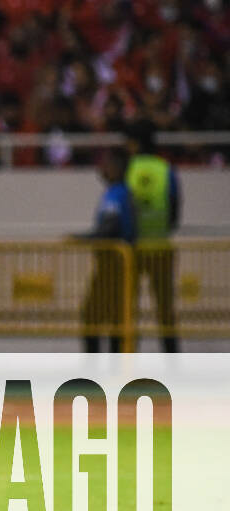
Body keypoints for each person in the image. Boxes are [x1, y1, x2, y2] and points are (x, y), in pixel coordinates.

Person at [125, 120, 180, 353]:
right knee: (166, 311)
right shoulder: (166, 170)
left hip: (130, 251)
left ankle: (128, 360)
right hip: (161, 248)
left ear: (134, 144)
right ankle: (172, 360)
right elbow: (174, 213)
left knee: (128, 310)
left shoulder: (127, 169)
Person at [75, 147, 136, 353]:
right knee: (116, 318)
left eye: (106, 163)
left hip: (113, 265)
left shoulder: (115, 194)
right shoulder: (122, 193)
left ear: (117, 168)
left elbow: (110, 227)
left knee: (92, 316)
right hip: (117, 265)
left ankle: (97, 366)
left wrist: (86, 239)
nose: (101, 168)